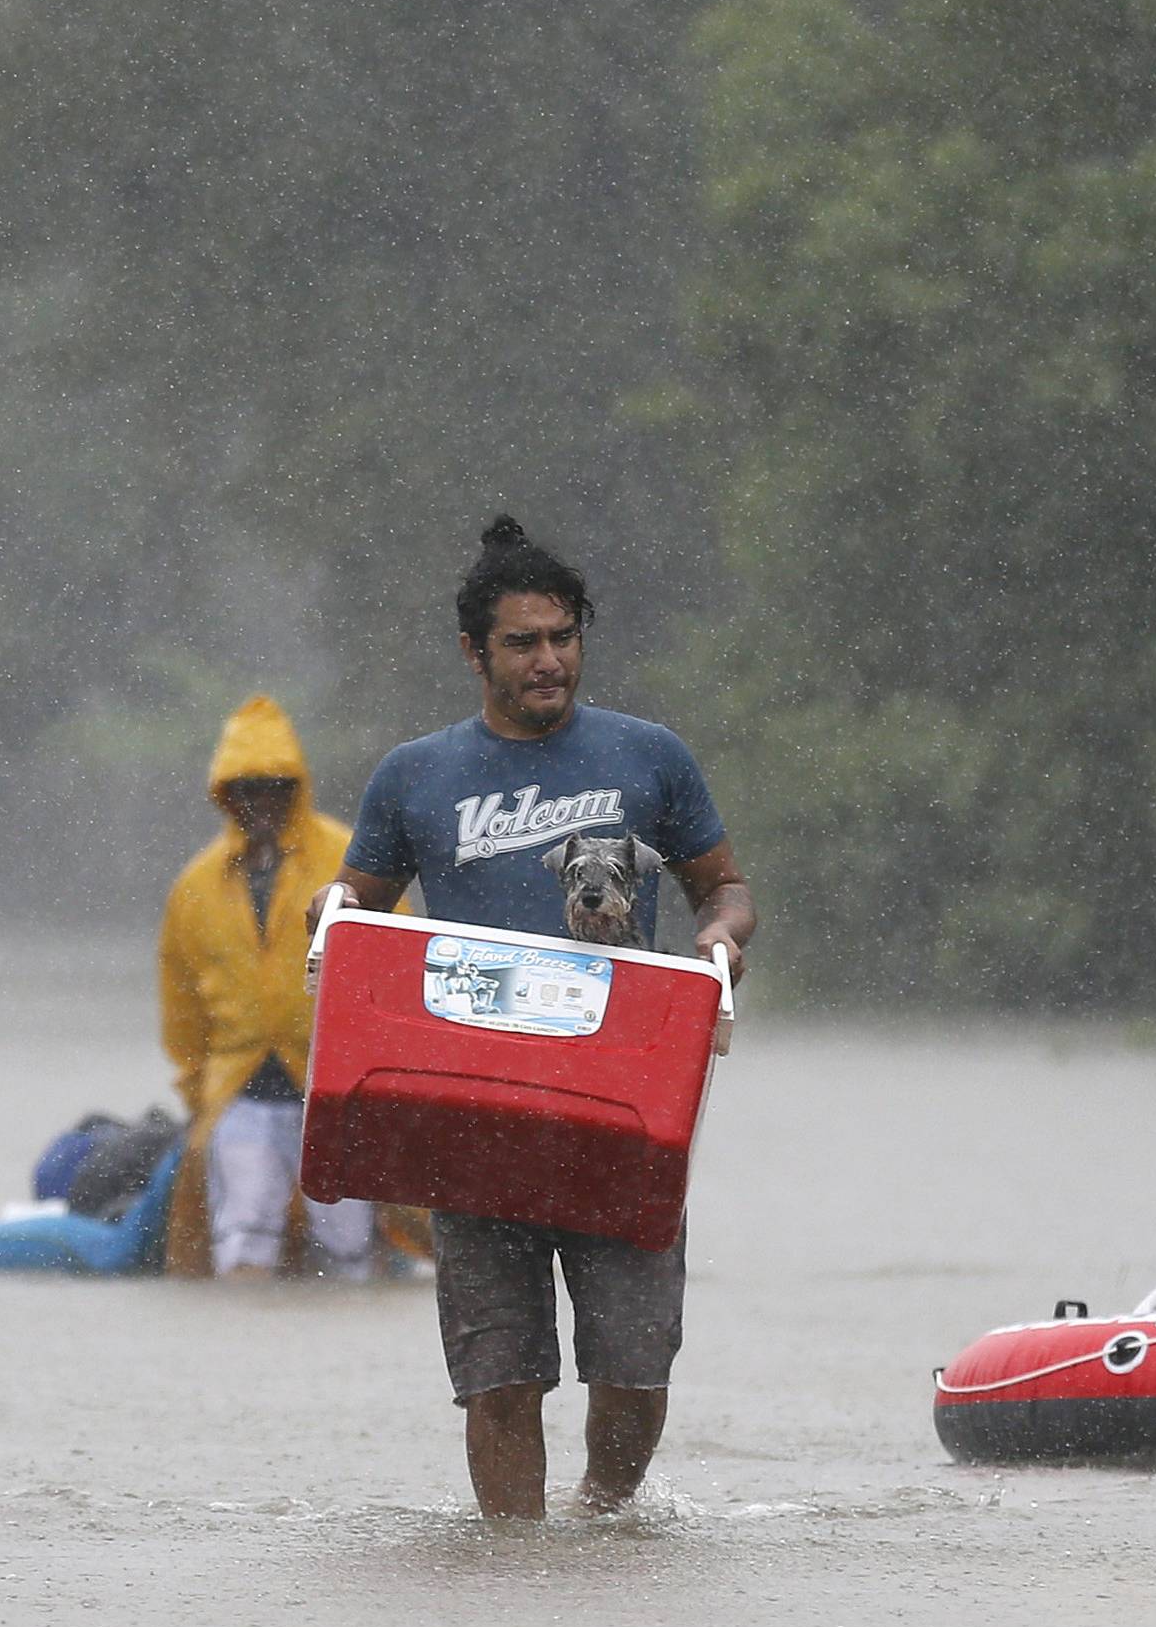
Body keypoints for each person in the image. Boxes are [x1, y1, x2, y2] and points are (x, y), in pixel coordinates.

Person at [309, 517, 756, 1517]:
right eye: (523, 642)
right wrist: (326, 918)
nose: (549, 659)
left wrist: (720, 943)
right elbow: (353, 921)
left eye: (563, 637)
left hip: (619, 1107)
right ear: (474, 652)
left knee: (635, 1369)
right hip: (470, 1113)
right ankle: (515, 1563)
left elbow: (724, 890)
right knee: (499, 1377)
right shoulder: (414, 776)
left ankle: (599, 1525)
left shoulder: (652, 757)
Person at [159, 695, 379, 1280]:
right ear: (225, 792)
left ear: (296, 787)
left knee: (347, 1246)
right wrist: (197, 1094)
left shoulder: (347, 859)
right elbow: (180, 1005)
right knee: (244, 1235)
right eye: (247, 787)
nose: (261, 801)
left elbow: (394, 968)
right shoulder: (196, 885)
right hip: (242, 1090)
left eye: (276, 786)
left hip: (335, 1091)